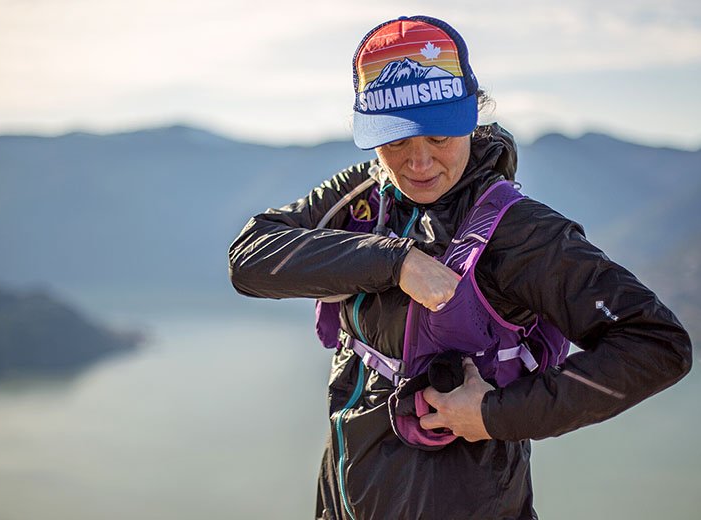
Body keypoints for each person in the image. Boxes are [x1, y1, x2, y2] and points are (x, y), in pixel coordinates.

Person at [228, 15, 692, 520]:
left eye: (439, 137)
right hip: (345, 492)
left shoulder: (520, 233)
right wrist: (395, 261)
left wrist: (494, 415)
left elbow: (657, 345)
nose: (418, 162)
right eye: (397, 140)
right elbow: (250, 256)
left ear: (471, 117)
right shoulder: (368, 192)